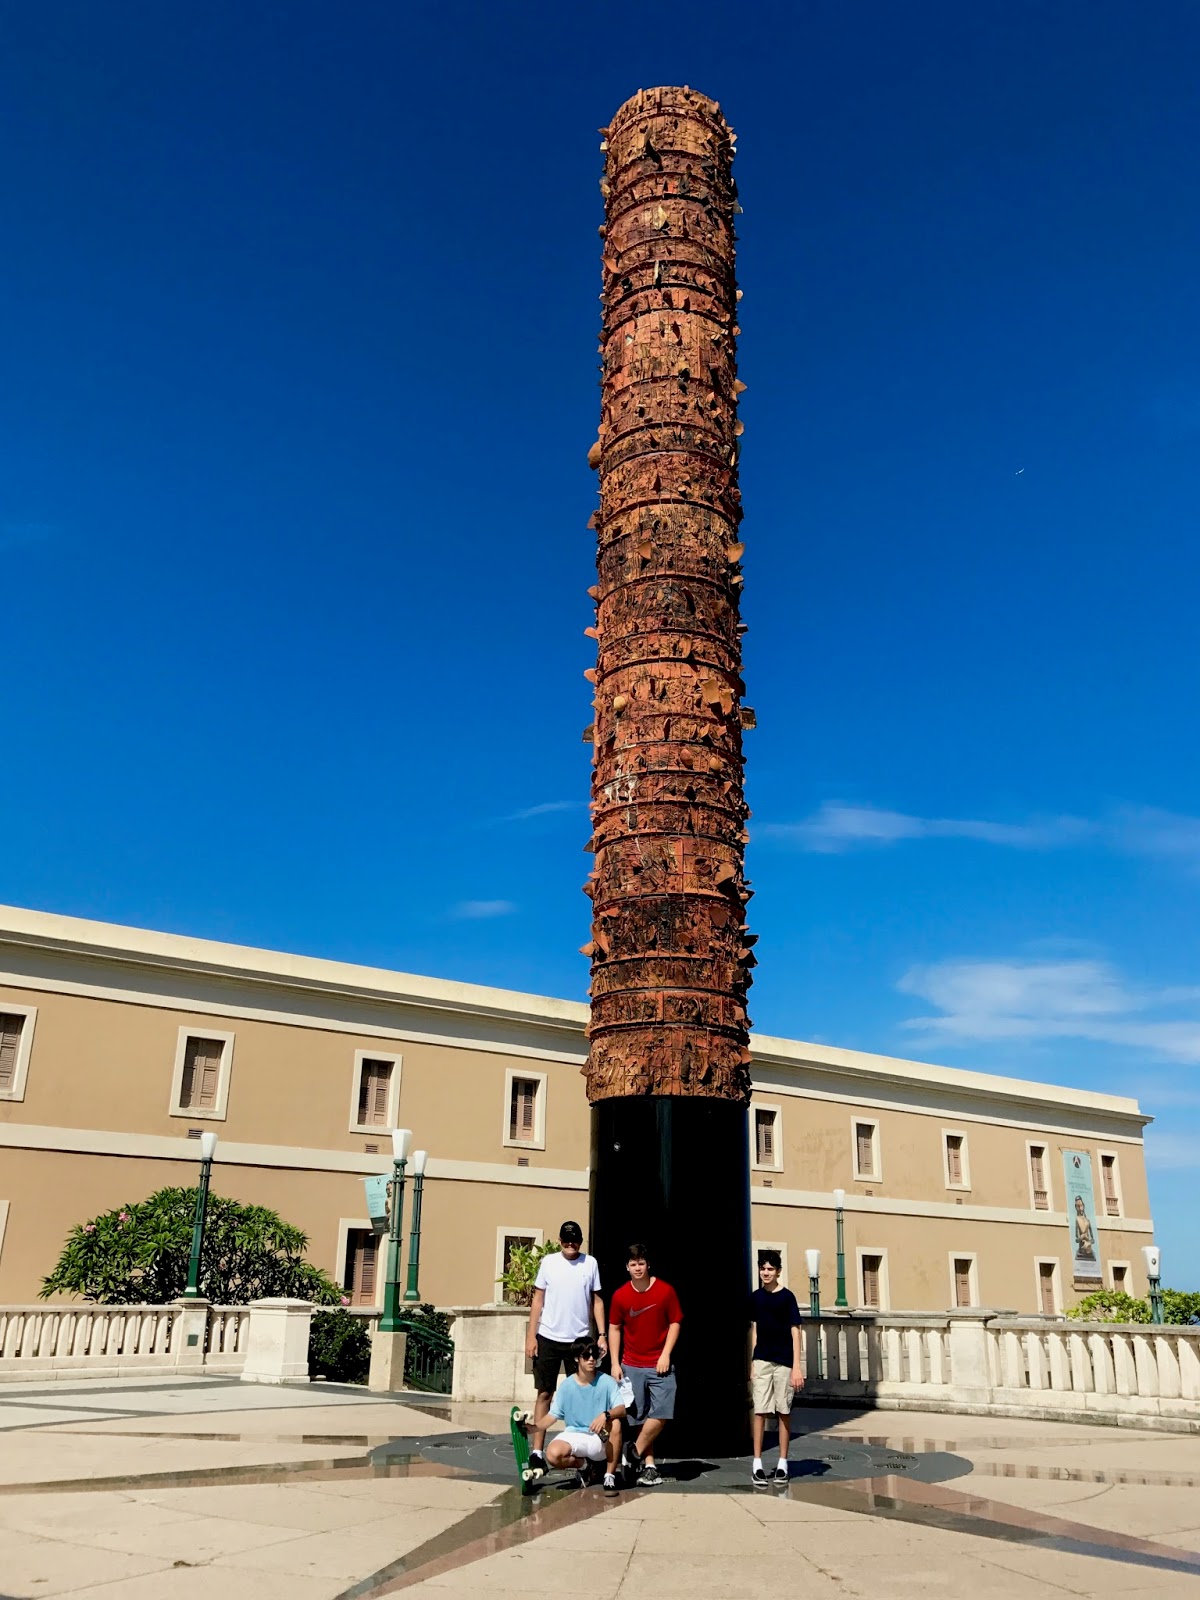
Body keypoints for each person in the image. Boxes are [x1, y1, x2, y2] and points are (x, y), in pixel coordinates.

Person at [525, 1221, 606, 1475]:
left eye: (575, 1240)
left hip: (579, 1339)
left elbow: (597, 1300)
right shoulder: (548, 1262)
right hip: (548, 1336)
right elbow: (538, 1299)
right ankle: (538, 1451)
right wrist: (531, 1336)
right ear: (559, 1240)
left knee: (582, 1395)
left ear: (581, 1241)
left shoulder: (590, 1263)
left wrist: (601, 1335)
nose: (570, 1245)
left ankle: (585, 1450)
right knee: (544, 1393)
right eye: (566, 1240)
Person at [609, 1242, 682, 1487]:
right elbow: (615, 1328)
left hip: (659, 1364)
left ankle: (633, 1452)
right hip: (631, 1365)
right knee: (639, 1417)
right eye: (633, 1264)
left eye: (641, 1263)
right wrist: (615, 1363)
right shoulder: (620, 1295)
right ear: (627, 1267)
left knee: (661, 1413)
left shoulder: (665, 1291)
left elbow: (675, 1322)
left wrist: (666, 1354)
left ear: (647, 1264)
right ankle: (649, 1466)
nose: (637, 1268)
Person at [748, 1250, 803, 1485]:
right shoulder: (755, 1297)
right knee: (760, 1410)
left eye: (770, 1269)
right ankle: (757, 1463)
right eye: (763, 1269)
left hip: (784, 1361)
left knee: (783, 1411)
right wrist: (752, 1360)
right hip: (762, 1360)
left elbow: (795, 1331)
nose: (766, 1273)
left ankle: (782, 1462)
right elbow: (754, 1328)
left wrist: (797, 1366)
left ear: (778, 1271)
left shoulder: (787, 1298)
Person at [543, 1338, 626, 1493]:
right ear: (577, 1359)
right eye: (586, 1356)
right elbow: (552, 1415)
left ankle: (609, 1475)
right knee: (553, 1455)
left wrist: (605, 1414)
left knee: (616, 1423)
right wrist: (532, 1428)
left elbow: (621, 1409)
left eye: (594, 1355)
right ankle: (584, 1466)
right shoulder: (567, 1385)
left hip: (599, 1438)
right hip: (575, 1434)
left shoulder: (607, 1381)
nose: (591, 1359)